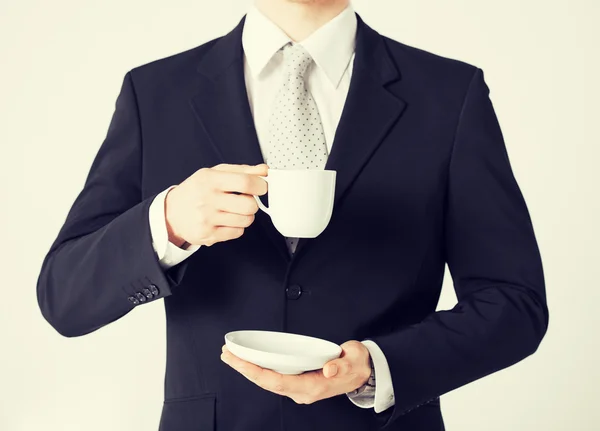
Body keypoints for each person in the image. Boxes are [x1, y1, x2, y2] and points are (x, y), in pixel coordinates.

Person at [36, 0, 549, 430]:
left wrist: (378, 367)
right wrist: (165, 223)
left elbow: (514, 302)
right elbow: (64, 296)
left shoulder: (448, 94)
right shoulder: (155, 93)